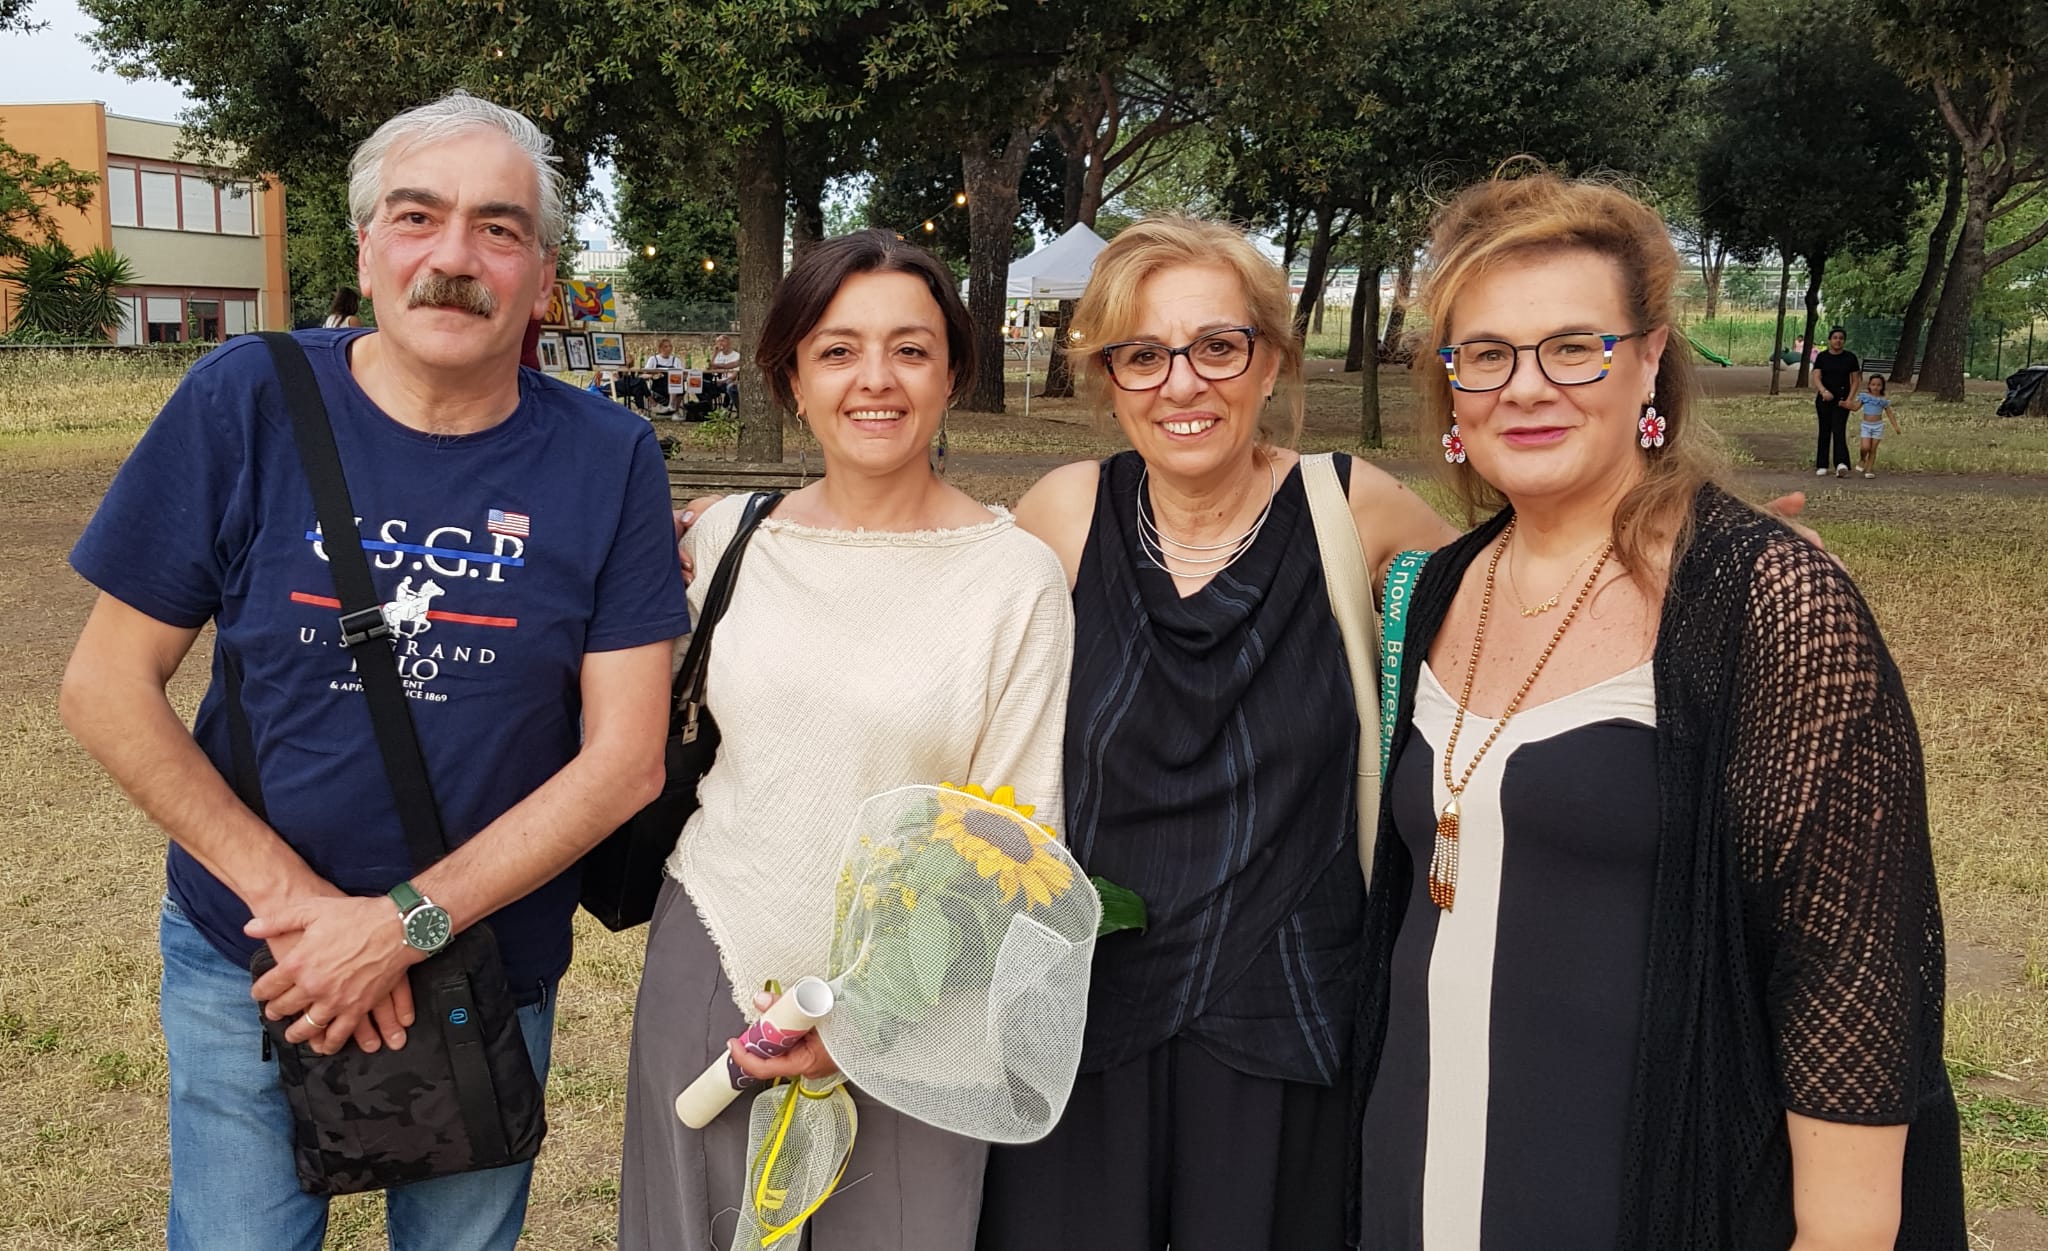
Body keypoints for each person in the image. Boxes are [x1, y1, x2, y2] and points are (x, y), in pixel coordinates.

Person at [57, 91, 687, 1251]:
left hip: (482, 962)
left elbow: (625, 761)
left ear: (542, 278)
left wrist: (403, 927)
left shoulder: (608, 458)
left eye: (499, 229)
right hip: (255, 957)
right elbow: (104, 687)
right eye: (417, 217)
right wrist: (305, 915)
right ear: (363, 250)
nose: (454, 258)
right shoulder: (244, 400)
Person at [1355, 172, 1963, 1249]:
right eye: (1485, 355)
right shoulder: (1443, 585)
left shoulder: (1763, 599)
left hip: (1652, 1195)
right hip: (1417, 1182)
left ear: (1647, 358)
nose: (1525, 388)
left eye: (1572, 347)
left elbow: (1849, 976)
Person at [976, 217, 1461, 1251]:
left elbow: (1516, 609)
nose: (1181, 383)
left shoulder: (1353, 510)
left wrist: (1671, 552)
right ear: (1108, 378)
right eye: (1143, 355)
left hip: (1286, 1014)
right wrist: (734, 530)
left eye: (1216, 346)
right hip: (1081, 1016)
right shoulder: (1065, 513)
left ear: (1270, 359)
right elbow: (943, 650)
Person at [618, 230, 1073, 1251]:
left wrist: (864, 1023)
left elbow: (1022, 832)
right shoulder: (727, 540)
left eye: (910, 350)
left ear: (953, 373)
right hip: (718, 947)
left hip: (923, 999)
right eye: (836, 350)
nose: (875, 380)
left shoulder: (1015, 578)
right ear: (791, 377)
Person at [1813, 324, 1861, 477]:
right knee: (1824, 430)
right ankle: (1822, 464)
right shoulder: (1822, 357)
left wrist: (1849, 400)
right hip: (1825, 399)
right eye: (1835, 338)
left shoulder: (1850, 358)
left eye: (1841, 338)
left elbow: (1855, 380)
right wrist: (1823, 391)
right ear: (1830, 340)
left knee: (1839, 429)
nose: (1838, 341)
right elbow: (1816, 376)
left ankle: (1841, 463)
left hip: (1842, 399)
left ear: (1844, 341)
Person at [1859, 373, 1901, 478]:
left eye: (1878, 385)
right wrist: (1845, 404)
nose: (1876, 387)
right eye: (1873, 384)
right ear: (1869, 385)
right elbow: (1855, 406)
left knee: (1873, 449)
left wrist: (1895, 426)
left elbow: (1889, 414)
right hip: (1866, 426)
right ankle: (1862, 458)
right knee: (1865, 447)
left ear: (1882, 387)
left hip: (1878, 426)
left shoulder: (1883, 400)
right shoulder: (1865, 397)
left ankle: (1869, 469)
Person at [642, 336, 683, 415]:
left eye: (670, 346)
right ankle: (673, 408)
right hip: (659, 386)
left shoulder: (676, 360)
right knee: (671, 379)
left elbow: (681, 373)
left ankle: (674, 409)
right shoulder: (653, 359)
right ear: (660, 348)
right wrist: (653, 375)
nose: (669, 348)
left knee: (675, 379)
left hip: (675, 384)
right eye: (666, 347)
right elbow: (644, 374)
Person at [706, 331, 742, 407]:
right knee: (699, 384)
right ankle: (706, 408)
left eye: (722, 341)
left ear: (729, 343)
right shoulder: (717, 355)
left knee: (730, 385)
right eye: (718, 341)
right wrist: (715, 353)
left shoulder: (736, 356)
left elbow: (734, 375)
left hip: (727, 381)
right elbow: (709, 369)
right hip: (715, 382)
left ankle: (727, 402)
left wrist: (722, 381)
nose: (720, 343)